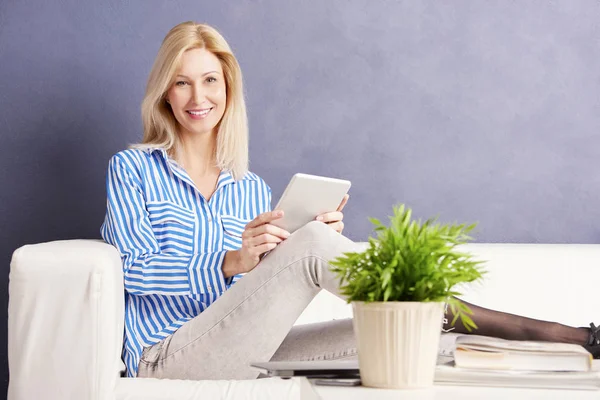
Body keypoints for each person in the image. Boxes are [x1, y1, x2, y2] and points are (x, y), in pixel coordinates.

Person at [101, 21, 600, 380]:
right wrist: (231, 260)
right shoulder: (133, 169)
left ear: (227, 90)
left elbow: (248, 299)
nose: (197, 96)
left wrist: (285, 255)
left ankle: (556, 348)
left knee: (412, 332)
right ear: (165, 93)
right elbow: (131, 269)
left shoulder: (248, 188)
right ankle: (550, 329)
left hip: (244, 349)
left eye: (210, 80)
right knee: (319, 247)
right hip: (165, 358)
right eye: (182, 82)